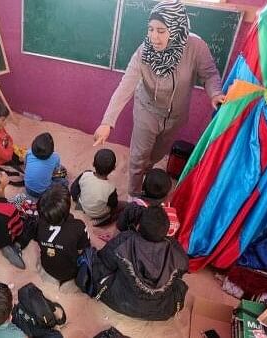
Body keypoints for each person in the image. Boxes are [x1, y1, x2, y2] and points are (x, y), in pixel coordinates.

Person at [92, 1, 224, 198]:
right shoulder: (143, 52)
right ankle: (134, 194)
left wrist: (214, 93)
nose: (154, 36)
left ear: (177, 27)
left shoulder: (196, 46)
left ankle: (147, 171)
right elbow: (125, 87)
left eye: (161, 30)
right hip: (147, 111)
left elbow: (210, 74)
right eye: (151, 29)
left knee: (156, 155)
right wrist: (107, 122)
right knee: (138, 156)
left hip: (175, 117)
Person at [92, 205, 189, 321]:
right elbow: (180, 274)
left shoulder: (125, 239)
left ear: (138, 227)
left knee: (97, 266)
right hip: (161, 310)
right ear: (167, 231)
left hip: (121, 301)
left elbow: (104, 260)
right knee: (180, 285)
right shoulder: (177, 251)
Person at [25, 185, 90, 291]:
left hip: (47, 266)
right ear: (68, 208)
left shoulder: (38, 224)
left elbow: (37, 239)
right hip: (71, 272)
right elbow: (83, 249)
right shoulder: (79, 226)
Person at [117, 168, 179, 237]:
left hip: (133, 239)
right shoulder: (171, 215)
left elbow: (121, 225)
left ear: (143, 188)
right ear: (166, 195)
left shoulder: (133, 208)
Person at [71, 149, 120, 226]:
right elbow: (114, 205)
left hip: (82, 205)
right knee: (122, 207)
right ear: (113, 168)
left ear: (93, 164)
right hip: (97, 214)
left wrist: (76, 200)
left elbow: (73, 189)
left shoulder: (85, 174)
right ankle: (102, 220)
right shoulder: (111, 188)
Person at [24, 133, 67, 198]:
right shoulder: (55, 157)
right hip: (43, 193)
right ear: (51, 149)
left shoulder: (29, 152)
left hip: (27, 188)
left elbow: (25, 166)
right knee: (64, 181)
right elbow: (55, 171)